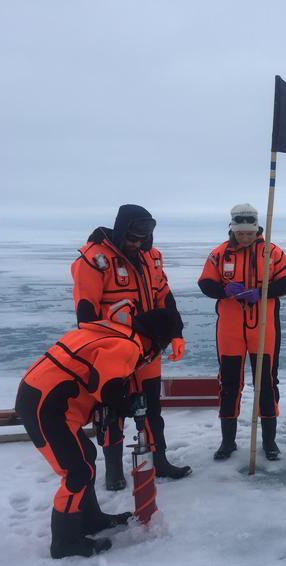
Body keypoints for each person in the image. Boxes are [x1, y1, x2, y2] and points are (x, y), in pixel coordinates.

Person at [14, 307, 177, 558]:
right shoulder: (128, 346)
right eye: (163, 346)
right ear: (155, 340)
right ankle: (64, 543)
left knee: (85, 456)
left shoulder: (116, 333)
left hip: (43, 398)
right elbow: (109, 388)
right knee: (77, 472)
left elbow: (97, 377)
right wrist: (128, 405)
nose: (159, 353)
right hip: (46, 407)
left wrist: (123, 400)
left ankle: (90, 519)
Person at [71, 204, 191, 489]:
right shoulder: (93, 260)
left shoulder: (152, 258)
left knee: (152, 408)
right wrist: (100, 352)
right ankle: (113, 472)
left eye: (142, 240)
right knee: (112, 411)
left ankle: (159, 461)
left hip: (149, 351)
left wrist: (176, 333)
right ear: (121, 230)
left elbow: (165, 296)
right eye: (133, 239)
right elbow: (86, 315)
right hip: (112, 353)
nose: (137, 245)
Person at [198, 203, 286, 461]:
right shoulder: (219, 254)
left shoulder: (271, 252)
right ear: (232, 229)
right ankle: (227, 442)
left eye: (249, 233)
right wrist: (224, 291)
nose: (244, 237)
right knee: (229, 384)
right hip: (230, 332)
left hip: (264, 330)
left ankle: (269, 443)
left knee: (266, 384)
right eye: (240, 233)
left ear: (256, 230)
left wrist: (265, 292)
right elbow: (206, 284)